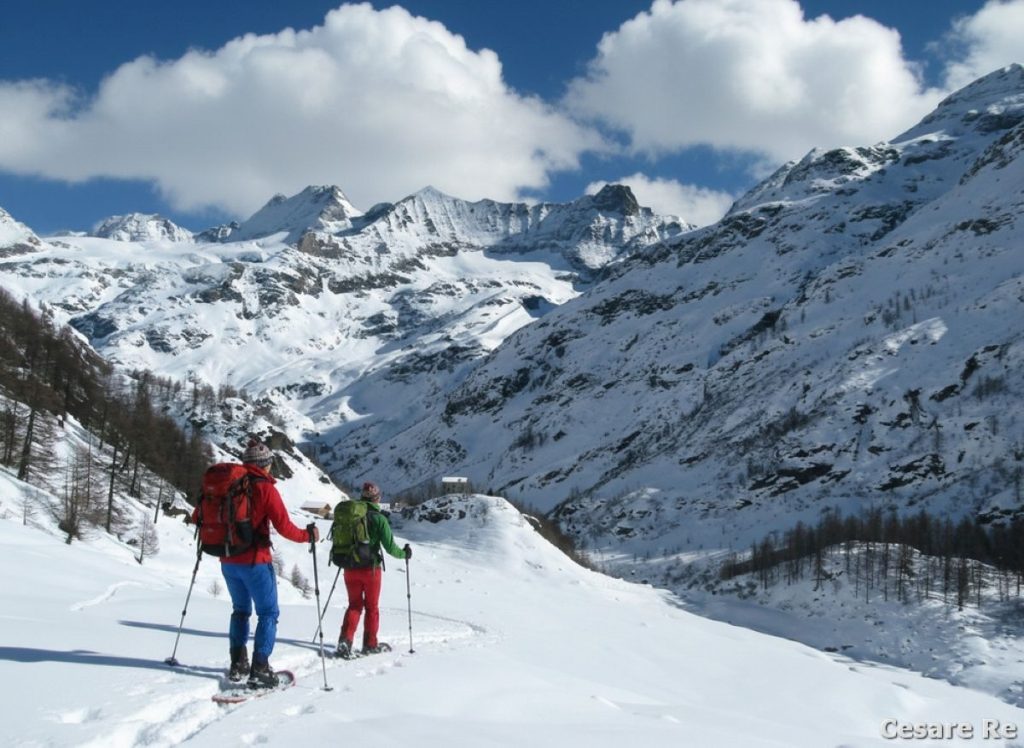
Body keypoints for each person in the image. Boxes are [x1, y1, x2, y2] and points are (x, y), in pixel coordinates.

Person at [193, 439, 319, 686]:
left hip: (227, 560)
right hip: (255, 561)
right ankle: (260, 668)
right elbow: (285, 528)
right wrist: (308, 536)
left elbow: (197, 516)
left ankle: (238, 664)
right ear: (266, 464)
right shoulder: (265, 488)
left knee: (240, 610)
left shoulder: (230, 485)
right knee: (268, 613)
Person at [336, 481, 411, 658]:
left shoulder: (353, 515)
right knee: (371, 607)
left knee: (354, 605)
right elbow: (391, 548)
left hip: (350, 567)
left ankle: (345, 642)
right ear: (377, 499)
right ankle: (370, 644)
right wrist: (405, 554)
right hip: (371, 570)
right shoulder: (380, 519)